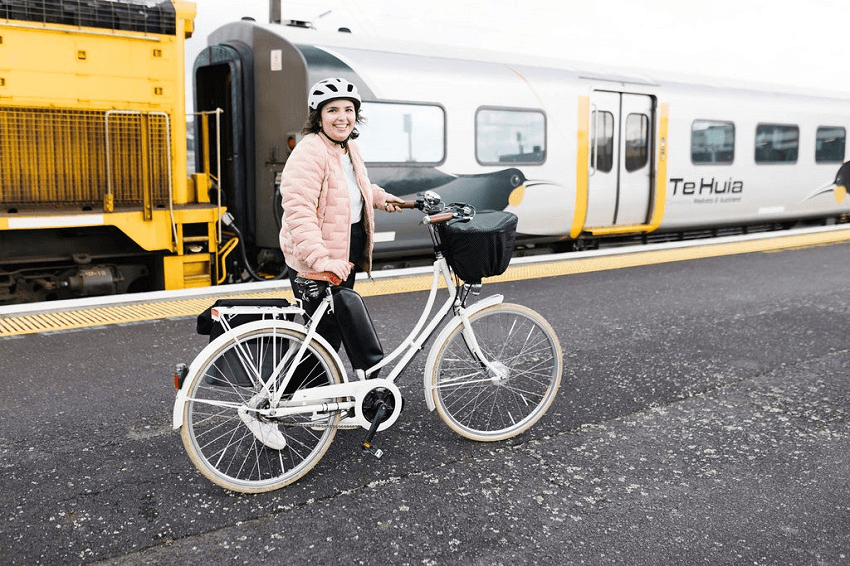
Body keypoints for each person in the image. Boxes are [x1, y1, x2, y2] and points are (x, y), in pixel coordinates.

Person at [279, 77, 405, 355]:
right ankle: (296, 394)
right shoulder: (310, 152)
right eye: (332, 110)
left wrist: (379, 197)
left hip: (344, 249)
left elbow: (346, 188)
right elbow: (299, 213)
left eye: (348, 110)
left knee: (335, 328)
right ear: (319, 116)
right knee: (323, 335)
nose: (342, 117)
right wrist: (323, 260)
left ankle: (332, 393)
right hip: (317, 255)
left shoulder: (348, 148)